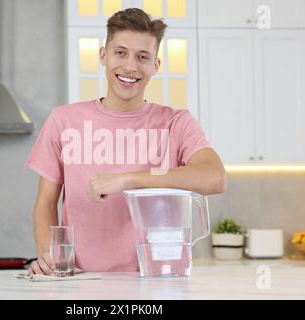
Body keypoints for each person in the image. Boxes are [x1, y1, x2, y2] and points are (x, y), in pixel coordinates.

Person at [25, 8, 226, 275]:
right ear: (103, 55)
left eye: (142, 57)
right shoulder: (64, 120)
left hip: (158, 282)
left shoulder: (176, 123)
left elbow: (214, 178)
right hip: (81, 282)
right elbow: (46, 203)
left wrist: (130, 179)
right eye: (120, 52)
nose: (130, 66)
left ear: (155, 66)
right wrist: (50, 258)